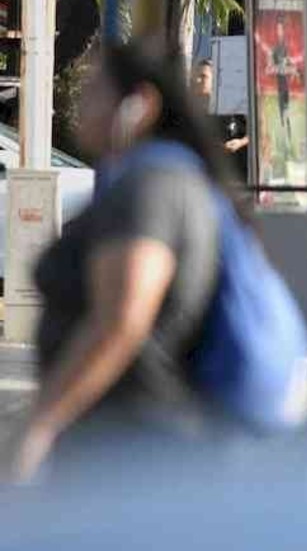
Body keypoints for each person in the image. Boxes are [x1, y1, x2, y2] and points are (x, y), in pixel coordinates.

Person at [5, 39, 247, 482]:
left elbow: (120, 323)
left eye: (96, 89)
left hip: (133, 449)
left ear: (140, 106)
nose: (82, 99)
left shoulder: (150, 187)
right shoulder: (150, 177)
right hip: (122, 447)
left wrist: (38, 426)